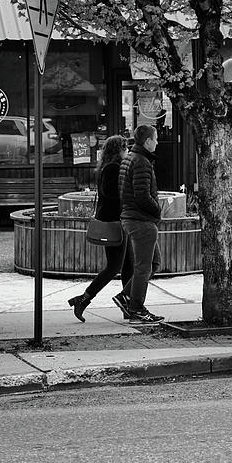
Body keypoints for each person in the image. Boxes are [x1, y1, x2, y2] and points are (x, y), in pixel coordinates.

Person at [68, 135, 135, 322]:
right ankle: (84, 299)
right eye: (125, 148)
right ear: (119, 150)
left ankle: (128, 306)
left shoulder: (108, 167)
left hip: (118, 220)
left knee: (129, 265)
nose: (127, 151)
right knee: (114, 266)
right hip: (114, 222)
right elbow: (110, 193)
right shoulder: (113, 168)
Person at [117, 124, 165, 323]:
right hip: (140, 220)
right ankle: (136, 307)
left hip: (133, 217)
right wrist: (158, 210)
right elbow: (142, 196)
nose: (157, 142)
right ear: (147, 141)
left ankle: (126, 296)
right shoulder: (142, 162)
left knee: (154, 263)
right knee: (144, 266)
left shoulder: (130, 158)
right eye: (155, 139)